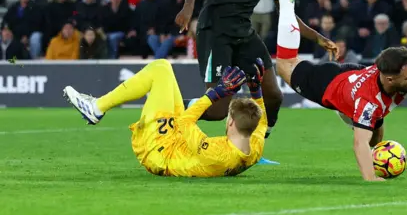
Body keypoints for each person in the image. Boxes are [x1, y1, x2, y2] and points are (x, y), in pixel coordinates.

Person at [262, 0, 407, 181]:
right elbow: (358, 143)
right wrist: (371, 178)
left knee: (376, 136)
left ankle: (366, 139)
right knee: (285, 65)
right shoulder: (368, 102)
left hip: (352, 76)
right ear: (390, 79)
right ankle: (286, 0)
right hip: (327, 84)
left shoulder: (404, 69)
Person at [174, 0, 338, 155]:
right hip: (216, 28)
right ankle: (170, 109)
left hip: (243, 31)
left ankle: (256, 147)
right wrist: (188, 7)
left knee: (273, 95)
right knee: (219, 110)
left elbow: (287, 13)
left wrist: (318, 38)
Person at [62, 58, 268, 178]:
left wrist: (217, 92)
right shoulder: (254, 148)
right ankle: (96, 107)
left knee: (160, 69)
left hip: (158, 152)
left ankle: (96, 107)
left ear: (230, 122)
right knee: (163, 68)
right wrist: (256, 89)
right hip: (175, 140)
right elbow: (263, 123)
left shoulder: (217, 154)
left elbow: (185, 122)